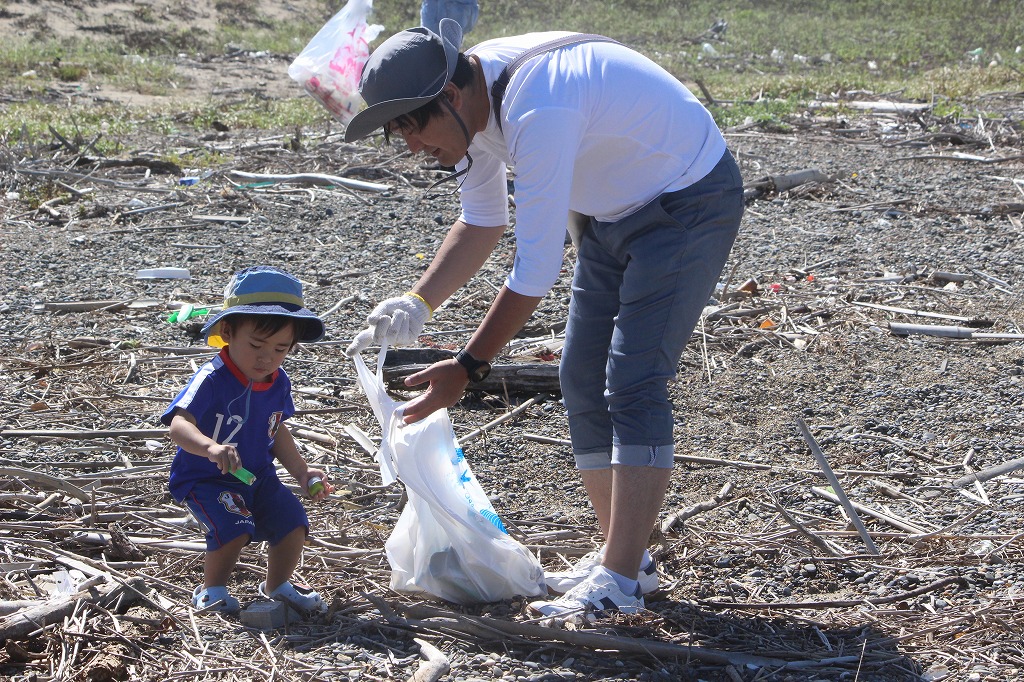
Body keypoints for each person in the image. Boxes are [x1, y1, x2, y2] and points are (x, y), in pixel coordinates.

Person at [340, 19, 744, 623]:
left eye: (412, 124)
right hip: (607, 211)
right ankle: (625, 561)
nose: (412, 146)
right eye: (398, 131)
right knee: (581, 379)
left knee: (633, 382)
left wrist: (469, 367)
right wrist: (418, 304)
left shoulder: (536, 107)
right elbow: (482, 219)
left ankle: (620, 581)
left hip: (686, 201)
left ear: (448, 97)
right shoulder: (470, 108)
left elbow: (535, 268)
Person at [162, 266, 334, 615]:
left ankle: (278, 585)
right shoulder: (212, 378)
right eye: (256, 345)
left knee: (293, 523)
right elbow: (179, 424)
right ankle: (212, 590)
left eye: (280, 348)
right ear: (227, 331)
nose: (266, 357)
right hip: (206, 478)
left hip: (258, 477)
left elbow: (275, 428)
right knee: (233, 527)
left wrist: (301, 471)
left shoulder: (278, 380)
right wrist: (210, 448)